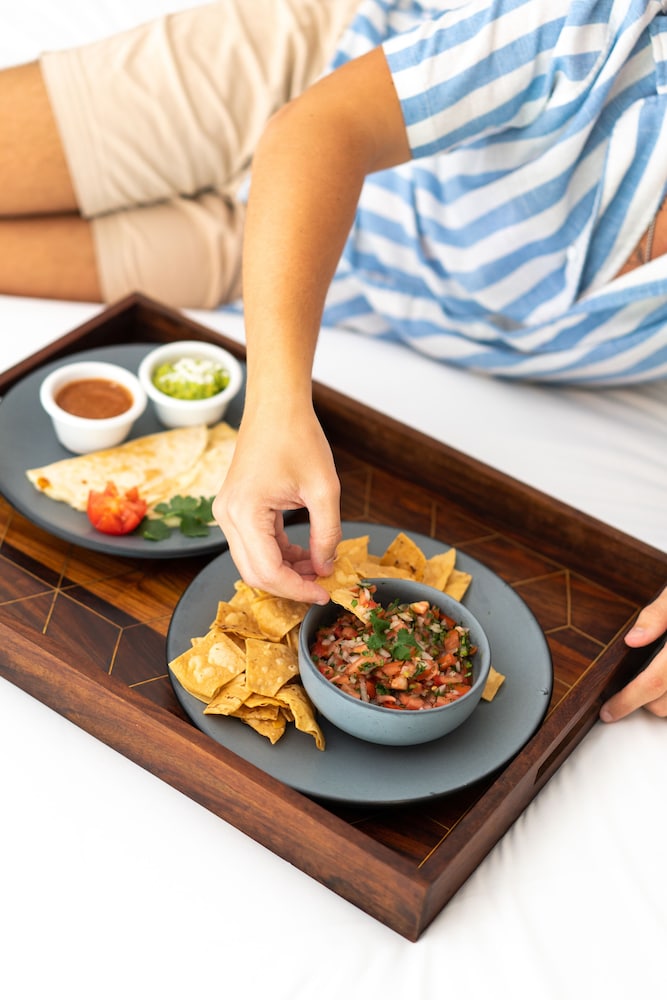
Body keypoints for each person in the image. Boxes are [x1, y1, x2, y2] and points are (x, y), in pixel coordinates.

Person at [1, 0, 665, 721]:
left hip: (293, 280)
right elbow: (321, 126)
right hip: (299, 96)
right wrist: (276, 409)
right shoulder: (615, 27)